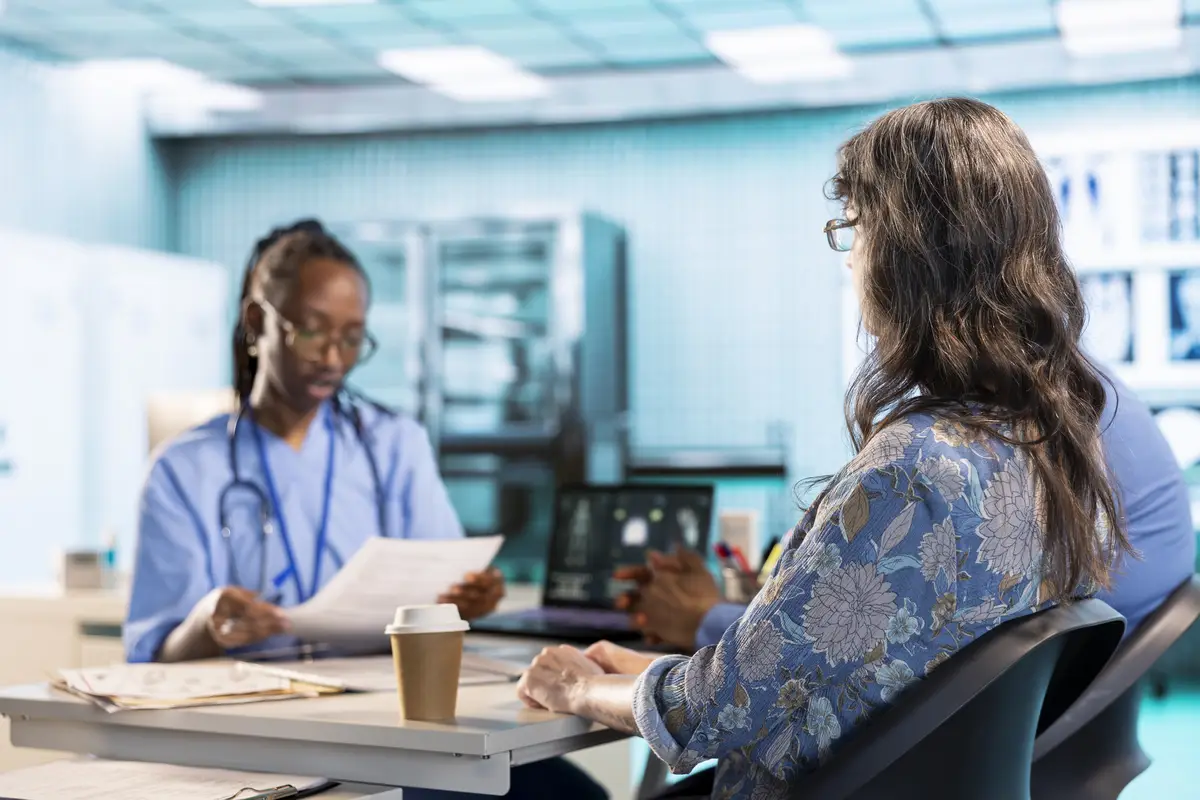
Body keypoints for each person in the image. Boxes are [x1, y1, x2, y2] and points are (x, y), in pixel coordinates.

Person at [515, 98, 1132, 799]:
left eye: (857, 229)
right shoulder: (1042, 449)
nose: (850, 261)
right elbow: (864, 676)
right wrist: (667, 675)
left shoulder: (910, 474)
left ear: (909, 253)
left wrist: (580, 689)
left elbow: (718, 712)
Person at [124, 220, 507, 664]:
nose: (332, 358)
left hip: (382, 711)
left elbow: (442, 596)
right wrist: (207, 623)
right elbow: (155, 659)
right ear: (256, 321)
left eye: (351, 339)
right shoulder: (184, 469)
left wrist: (470, 599)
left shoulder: (394, 445)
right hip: (246, 715)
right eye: (310, 331)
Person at [619, 368, 1196, 653]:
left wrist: (701, 623)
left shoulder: (933, 459)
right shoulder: (1070, 396)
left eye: (854, 231)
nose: (848, 259)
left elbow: (801, 678)